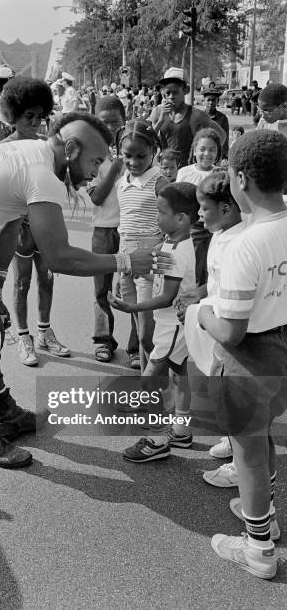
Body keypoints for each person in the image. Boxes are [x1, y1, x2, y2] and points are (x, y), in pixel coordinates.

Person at [0, 111, 173, 469]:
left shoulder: (32, 152)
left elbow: (10, 224)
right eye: (96, 160)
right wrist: (125, 261)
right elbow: (59, 257)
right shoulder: (43, 175)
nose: (97, 171)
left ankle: (5, 412)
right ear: (71, 149)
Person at [198, 129, 287, 579]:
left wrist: (200, 315)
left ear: (242, 180)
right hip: (283, 349)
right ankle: (263, 513)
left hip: (248, 359)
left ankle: (259, 549)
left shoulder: (245, 244)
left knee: (248, 453)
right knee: (262, 436)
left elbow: (229, 332)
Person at [109, 182, 199, 461]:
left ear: (182, 218)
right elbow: (158, 275)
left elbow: (167, 297)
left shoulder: (178, 251)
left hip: (171, 325)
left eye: (160, 213)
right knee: (178, 373)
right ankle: (181, 430)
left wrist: (132, 306)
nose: (155, 218)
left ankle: (156, 440)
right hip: (174, 324)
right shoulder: (173, 242)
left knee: (149, 380)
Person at [0, 76, 70, 366]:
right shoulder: (3, 150)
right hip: (19, 230)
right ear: (13, 115)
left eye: (41, 116)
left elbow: (58, 186)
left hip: (46, 229)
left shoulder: (47, 147)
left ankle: (44, 333)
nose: (36, 122)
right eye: (29, 116)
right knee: (22, 283)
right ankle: (24, 338)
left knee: (47, 281)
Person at [176, 172, 244, 485]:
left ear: (227, 209)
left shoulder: (240, 245)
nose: (199, 214)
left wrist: (202, 312)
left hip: (233, 332)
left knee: (237, 398)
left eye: (204, 208)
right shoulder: (220, 233)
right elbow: (217, 283)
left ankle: (241, 465)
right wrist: (200, 294)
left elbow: (236, 297)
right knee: (220, 390)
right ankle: (233, 442)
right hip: (218, 324)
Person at [87, 95, 140, 367]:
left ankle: (136, 347)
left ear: (124, 118)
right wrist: (115, 168)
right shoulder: (91, 156)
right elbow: (96, 197)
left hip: (133, 232)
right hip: (103, 231)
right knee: (102, 289)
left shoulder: (136, 151)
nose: (109, 127)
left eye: (114, 121)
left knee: (134, 290)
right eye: (103, 121)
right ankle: (103, 340)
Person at [115, 119, 170, 371]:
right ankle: (149, 389)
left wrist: (160, 249)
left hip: (150, 266)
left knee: (149, 335)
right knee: (139, 328)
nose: (134, 161)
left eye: (141, 156)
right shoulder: (122, 181)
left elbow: (179, 223)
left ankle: (162, 390)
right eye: (128, 155)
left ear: (154, 153)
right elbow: (124, 227)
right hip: (125, 262)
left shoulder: (159, 183)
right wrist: (119, 267)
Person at [150, 67, 225, 169]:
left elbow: (221, 135)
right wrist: (160, 121)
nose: (171, 96)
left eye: (175, 92)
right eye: (168, 93)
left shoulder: (197, 115)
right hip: (164, 169)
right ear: (163, 93)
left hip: (187, 170)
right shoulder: (158, 112)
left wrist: (206, 155)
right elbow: (147, 140)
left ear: (186, 90)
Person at [177, 128, 222, 287]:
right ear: (194, 149)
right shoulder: (184, 173)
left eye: (212, 149)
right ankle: (191, 303)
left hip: (217, 229)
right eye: (202, 149)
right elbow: (178, 202)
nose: (207, 154)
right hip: (194, 228)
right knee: (194, 268)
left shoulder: (220, 174)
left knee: (212, 269)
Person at [202, 87, 229, 160]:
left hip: (216, 153)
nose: (211, 102)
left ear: (217, 101)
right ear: (204, 101)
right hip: (201, 152)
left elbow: (225, 138)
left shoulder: (222, 118)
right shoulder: (200, 117)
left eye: (213, 100)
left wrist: (224, 155)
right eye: (208, 100)